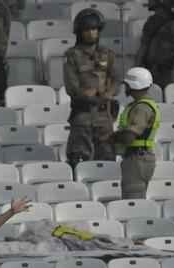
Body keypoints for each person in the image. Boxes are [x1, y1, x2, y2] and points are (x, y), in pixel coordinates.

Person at [65, 9, 116, 171]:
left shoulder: (107, 54)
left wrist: (108, 94)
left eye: (94, 29)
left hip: (104, 116)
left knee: (107, 159)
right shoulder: (72, 55)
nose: (91, 33)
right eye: (87, 29)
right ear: (80, 32)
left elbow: (116, 78)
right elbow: (71, 86)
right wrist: (86, 95)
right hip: (83, 115)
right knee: (79, 158)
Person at [115, 68, 160, 201]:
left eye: (127, 85)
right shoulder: (141, 105)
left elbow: (130, 136)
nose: (125, 88)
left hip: (136, 158)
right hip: (140, 156)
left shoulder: (141, 108)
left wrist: (110, 138)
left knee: (133, 200)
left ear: (134, 85)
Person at [137, 0, 174, 90]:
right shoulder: (154, 21)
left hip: (167, 70)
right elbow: (144, 46)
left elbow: (143, 48)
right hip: (155, 69)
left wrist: (137, 67)